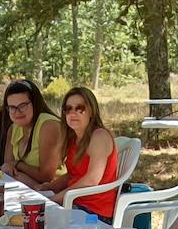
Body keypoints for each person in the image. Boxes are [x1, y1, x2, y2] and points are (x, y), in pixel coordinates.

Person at [43, 87, 121, 221]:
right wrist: (47, 187)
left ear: (91, 111)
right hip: (76, 204)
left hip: (95, 213)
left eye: (80, 108)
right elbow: (72, 175)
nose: (73, 113)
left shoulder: (99, 136)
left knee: (37, 220)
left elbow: (92, 180)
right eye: (68, 109)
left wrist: (55, 199)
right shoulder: (74, 138)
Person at [1, 79, 64, 189]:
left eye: (23, 105)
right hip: (25, 189)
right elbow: (7, 168)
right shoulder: (13, 128)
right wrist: (15, 168)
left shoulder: (48, 125)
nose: (17, 112)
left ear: (34, 103)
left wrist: (17, 164)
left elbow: (47, 176)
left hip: (54, 191)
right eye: (12, 107)